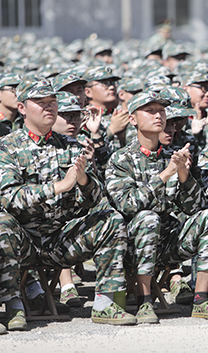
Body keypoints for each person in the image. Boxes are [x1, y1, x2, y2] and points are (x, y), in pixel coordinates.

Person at [0, 79, 135, 330]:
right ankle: (12, 307)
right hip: (23, 240)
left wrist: (83, 180)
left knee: (111, 219)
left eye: (52, 102)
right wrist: (58, 187)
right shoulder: (7, 147)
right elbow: (9, 197)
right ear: (21, 108)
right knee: (1, 222)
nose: (48, 107)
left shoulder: (72, 145)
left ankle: (105, 304)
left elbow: (96, 199)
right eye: (40, 102)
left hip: (60, 239)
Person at [105, 91, 208, 323]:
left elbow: (195, 208)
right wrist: (164, 175)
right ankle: (144, 302)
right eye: (150, 111)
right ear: (133, 119)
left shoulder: (172, 156)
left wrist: (183, 174)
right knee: (148, 218)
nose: (158, 116)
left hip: (167, 241)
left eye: (161, 111)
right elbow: (127, 205)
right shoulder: (121, 159)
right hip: (132, 245)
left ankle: (202, 300)